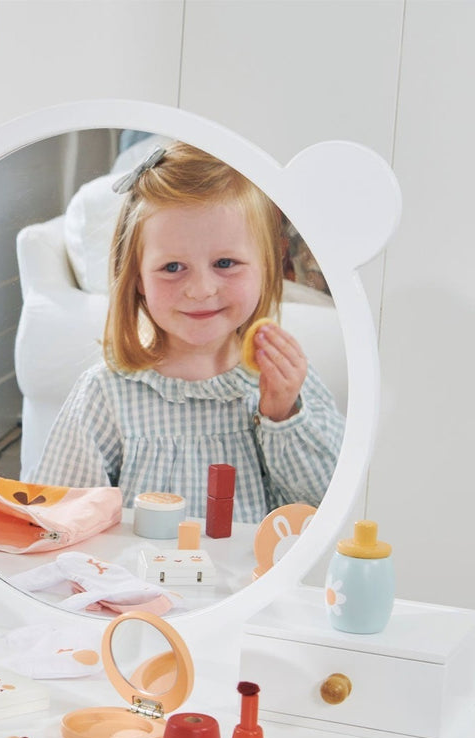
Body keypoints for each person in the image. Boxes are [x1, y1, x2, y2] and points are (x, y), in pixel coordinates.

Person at [34, 141, 344, 522]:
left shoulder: (284, 382)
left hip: (253, 579)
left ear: (265, 267)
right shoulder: (108, 393)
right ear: (137, 280)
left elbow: (327, 506)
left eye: (225, 263)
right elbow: (60, 517)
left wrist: (282, 414)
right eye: (172, 267)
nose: (200, 290)